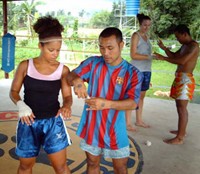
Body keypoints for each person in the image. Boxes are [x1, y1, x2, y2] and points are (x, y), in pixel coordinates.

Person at [67, 27, 143, 173]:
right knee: (92, 162)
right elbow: (70, 75)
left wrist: (107, 104)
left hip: (116, 128)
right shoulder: (93, 63)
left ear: (121, 45)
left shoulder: (132, 73)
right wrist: (77, 80)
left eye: (110, 48)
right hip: (92, 126)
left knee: (120, 166)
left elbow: (133, 103)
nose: (105, 53)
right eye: (102, 48)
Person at [9, 15, 72, 173]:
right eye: (51, 50)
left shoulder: (62, 70)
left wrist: (66, 106)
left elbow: (68, 96)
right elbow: (13, 91)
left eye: (58, 50)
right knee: (25, 166)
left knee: (61, 167)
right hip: (28, 122)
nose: (55, 54)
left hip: (53, 123)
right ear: (40, 46)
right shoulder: (25, 66)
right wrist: (21, 104)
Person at [154, 24, 199, 145]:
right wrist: (164, 48)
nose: (177, 39)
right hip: (180, 79)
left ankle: (179, 138)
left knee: (182, 108)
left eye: (178, 36)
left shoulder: (194, 46)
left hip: (185, 80)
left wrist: (163, 58)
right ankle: (181, 131)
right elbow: (174, 56)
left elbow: (182, 61)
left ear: (185, 34)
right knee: (179, 107)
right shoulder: (185, 46)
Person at [126, 13, 153, 131]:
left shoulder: (147, 38)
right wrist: (149, 56)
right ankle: (127, 122)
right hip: (137, 70)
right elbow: (133, 55)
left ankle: (139, 120)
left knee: (141, 97)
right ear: (140, 24)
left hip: (147, 70)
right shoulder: (136, 35)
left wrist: (150, 57)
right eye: (144, 25)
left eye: (148, 25)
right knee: (132, 96)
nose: (146, 27)